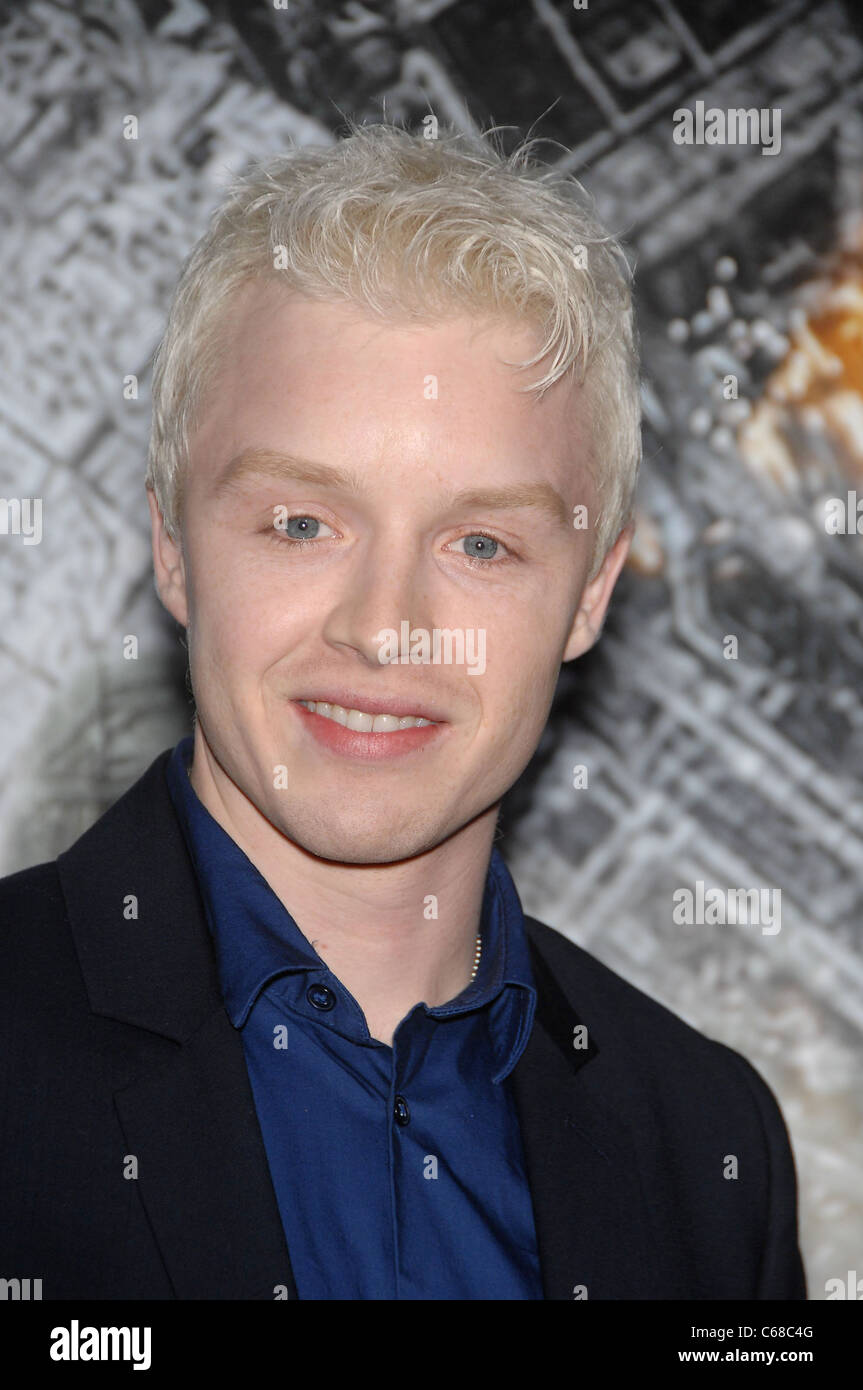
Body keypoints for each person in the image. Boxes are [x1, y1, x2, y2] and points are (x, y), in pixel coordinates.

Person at [0, 120, 805, 1300]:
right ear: (172, 547)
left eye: (480, 543)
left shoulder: (705, 1147)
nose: (386, 627)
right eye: (301, 524)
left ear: (587, 595)